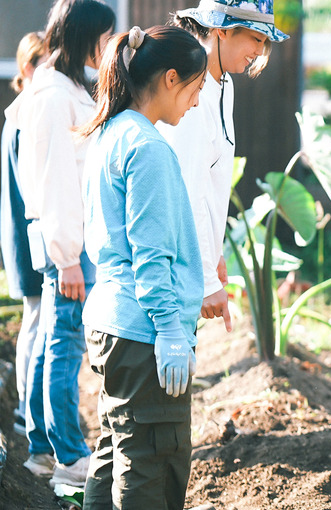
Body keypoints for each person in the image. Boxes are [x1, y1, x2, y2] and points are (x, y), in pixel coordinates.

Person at [77, 24, 207, 509]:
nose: (194, 103)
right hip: (143, 332)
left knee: (116, 452)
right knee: (152, 463)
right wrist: (171, 330)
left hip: (113, 324)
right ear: (171, 79)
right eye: (194, 90)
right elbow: (151, 254)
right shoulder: (148, 148)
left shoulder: (112, 132)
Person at [3, 0, 115, 487]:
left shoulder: (64, 85)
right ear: (83, 37)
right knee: (63, 349)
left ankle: (44, 451)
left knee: (55, 344)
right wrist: (67, 258)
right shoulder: (52, 94)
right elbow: (50, 182)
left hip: (68, 244)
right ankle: (69, 456)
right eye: (104, 37)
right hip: (65, 247)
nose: (108, 46)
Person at [161, 0, 289, 334]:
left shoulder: (224, 85)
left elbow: (211, 179)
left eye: (264, 42)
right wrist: (203, 280)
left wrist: (213, 253)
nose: (259, 51)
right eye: (255, 38)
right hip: (171, 269)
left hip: (191, 263)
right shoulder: (191, 87)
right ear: (221, 30)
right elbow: (186, 191)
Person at [1, 30, 47, 435]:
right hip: (27, 235)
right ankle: (25, 413)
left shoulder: (22, 111)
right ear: (29, 67)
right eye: (48, 61)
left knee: (35, 320)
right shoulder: (24, 116)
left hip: (22, 235)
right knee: (35, 321)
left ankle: (26, 411)